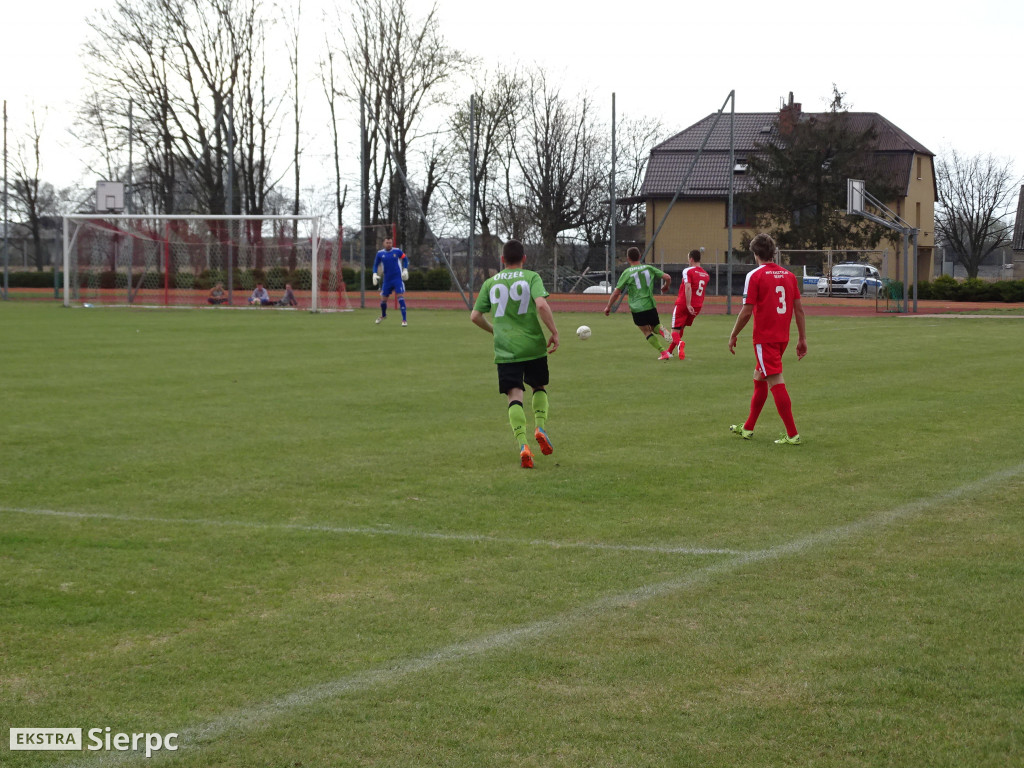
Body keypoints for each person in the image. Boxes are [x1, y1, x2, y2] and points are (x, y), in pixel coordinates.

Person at [471, 239, 559, 469]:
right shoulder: (531, 277)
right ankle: (540, 427)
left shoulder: (490, 283)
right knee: (538, 386)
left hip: (506, 348)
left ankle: (523, 445)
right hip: (532, 345)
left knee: (514, 395)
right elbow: (541, 305)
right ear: (524, 258)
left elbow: (475, 316)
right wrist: (554, 332)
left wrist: (495, 331)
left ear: (502, 260)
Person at [727, 232, 807, 445]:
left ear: (755, 253)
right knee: (759, 377)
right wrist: (802, 338)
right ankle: (748, 427)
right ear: (773, 252)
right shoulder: (789, 276)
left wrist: (733, 334)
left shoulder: (755, 276)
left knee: (775, 381)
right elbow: (799, 310)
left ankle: (792, 434)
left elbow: (746, 311)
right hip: (782, 338)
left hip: (765, 339)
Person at [603, 246, 671, 358]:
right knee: (657, 327)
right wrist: (665, 286)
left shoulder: (627, 272)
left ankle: (663, 352)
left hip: (637, 308)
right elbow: (667, 277)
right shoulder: (649, 268)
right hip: (650, 304)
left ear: (628, 259)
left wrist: (608, 307)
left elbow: (616, 292)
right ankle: (676, 342)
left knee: (646, 331)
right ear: (639, 256)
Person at [662, 249, 711, 361]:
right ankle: (669, 352)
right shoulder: (706, 275)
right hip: (697, 305)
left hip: (684, 303)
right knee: (681, 328)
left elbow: (688, 286)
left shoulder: (688, 271)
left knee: (674, 331)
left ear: (691, 259)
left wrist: (688, 304)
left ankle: (680, 343)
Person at [372, 237, 409, 326]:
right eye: (387, 242)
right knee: (383, 300)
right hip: (387, 280)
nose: (389, 244)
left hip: (397, 279)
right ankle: (383, 315)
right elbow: (375, 264)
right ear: (383, 244)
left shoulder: (397, 251)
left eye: (390, 242)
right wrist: (374, 273)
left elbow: (405, 259)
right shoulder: (380, 254)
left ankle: (404, 320)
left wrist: (405, 269)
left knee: (400, 297)